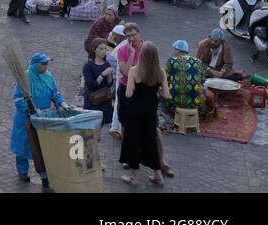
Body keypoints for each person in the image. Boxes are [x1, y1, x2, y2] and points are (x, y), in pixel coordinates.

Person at [10, 52, 64, 187]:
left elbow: (55, 92)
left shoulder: (48, 76)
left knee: (42, 147)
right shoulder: (25, 78)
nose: (46, 66)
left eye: (47, 63)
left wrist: (61, 103)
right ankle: (22, 171)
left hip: (42, 118)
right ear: (35, 65)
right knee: (23, 145)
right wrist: (31, 110)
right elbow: (18, 99)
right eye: (44, 64)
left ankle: (44, 176)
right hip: (25, 119)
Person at [119, 43, 168, 187]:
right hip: (150, 112)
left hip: (135, 112)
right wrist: (156, 90)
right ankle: (158, 175)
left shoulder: (134, 71)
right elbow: (166, 94)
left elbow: (128, 94)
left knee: (133, 141)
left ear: (142, 55)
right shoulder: (160, 72)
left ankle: (133, 177)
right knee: (150, 141)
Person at [82, 38, 116, 130]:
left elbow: (109, 84)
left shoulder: (107, 64)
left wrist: (110, 75)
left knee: (101, 123)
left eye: (105, 48)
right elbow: (91, 86)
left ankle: (97, 138)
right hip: (93, 100)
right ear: (94, 50)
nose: (104, 51)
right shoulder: (88, 66)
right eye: (101, 49)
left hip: (104, 99)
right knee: (93, 124)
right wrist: (103, 74)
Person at [165, 39, 207, 112]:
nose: (172, 52)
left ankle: (168, 109)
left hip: (176, 101)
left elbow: (165, 79)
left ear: (178, 51)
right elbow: (203, 80)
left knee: (163, 90)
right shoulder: (198, 61)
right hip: (196, 101)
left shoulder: (171, 60)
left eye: (174, 49)